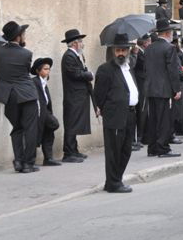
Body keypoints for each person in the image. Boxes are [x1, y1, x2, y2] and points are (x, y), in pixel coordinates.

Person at [94, 34, 140, 193]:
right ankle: (113, 183)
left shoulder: (129, 67)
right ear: (113, 51)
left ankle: (116, 179)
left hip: (130, 114)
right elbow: (98, 95)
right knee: (114, 151)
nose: (120, 53)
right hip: (115, 115)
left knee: (126, 150)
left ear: (128, 51)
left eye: (123, 50)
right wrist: (107, 110)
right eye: (118, 50)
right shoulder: (105, 69)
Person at [0, 21, 40, 173]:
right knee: (31, 129)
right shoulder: (26, 54)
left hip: (9, 95)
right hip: (27, 94)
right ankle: (28, 164)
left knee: (17, 128)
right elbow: (25, 70)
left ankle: (18, 161)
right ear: (18, 37)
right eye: (22, 34)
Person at [143, 18, 183, 158]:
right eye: (171, 31)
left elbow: (146, 69)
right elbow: (172, 71)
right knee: (165, 120)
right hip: (164, 90)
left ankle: (152, 148)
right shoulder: (169, 48)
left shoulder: (149, 48)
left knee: (153, 119)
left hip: (150, 89)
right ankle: (163, 148)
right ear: (167, 33)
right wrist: (177, 89)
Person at [60, 29, 94, 163]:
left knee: (74, 124)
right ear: (75, 43)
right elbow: (75, 74)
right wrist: (89, 75)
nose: (82, 44)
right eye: (80, 42)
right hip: (73, 96)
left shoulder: (75, 56)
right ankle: (68, 153)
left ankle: (74, 150)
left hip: (78, 96)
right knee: (71, 124)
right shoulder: (69, 56)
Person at [31, 57, 61, 167]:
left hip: (46, 112)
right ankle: (30, 161)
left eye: (49, 69)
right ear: (38, 71)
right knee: (52, 125)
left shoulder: (44, 83)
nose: (48, 71)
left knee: (48, 133)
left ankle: (48, 158)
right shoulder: (34, 82)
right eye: (45, 69)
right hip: (39, 114)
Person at [131, 35, 151, 152]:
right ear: (144, 42)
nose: (150, 44)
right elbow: (144, 66)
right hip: (140, 85)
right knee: (141, 111)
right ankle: (138, 136)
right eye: (148, 41)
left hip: (144, 84)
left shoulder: (142, 53)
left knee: (144, 112)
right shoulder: (139, 53)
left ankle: (143, 136)